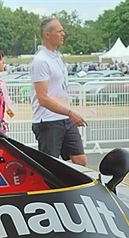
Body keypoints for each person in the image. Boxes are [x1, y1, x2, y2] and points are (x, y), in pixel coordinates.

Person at [29, 17, 87, 166]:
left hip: (64, 116)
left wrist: (68, 111)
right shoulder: (41, 61)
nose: (63, 34)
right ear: (47, 34)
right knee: (50, 165)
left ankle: (68, 181)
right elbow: (43, 98)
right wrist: (70, 112)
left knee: (80, 159)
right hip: (48, 120)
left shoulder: (58, 57)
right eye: (59, 31)